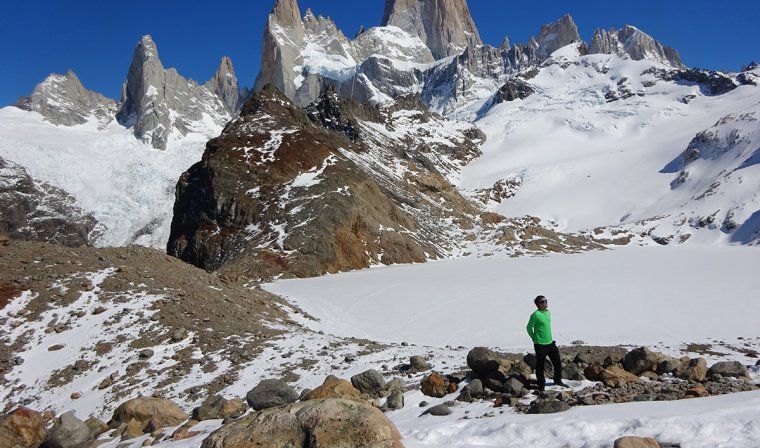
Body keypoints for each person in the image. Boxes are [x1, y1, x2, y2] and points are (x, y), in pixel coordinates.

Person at [526, 295, 566, 391]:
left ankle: (557, 380)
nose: (545, 303)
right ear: (538, 304)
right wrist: (534, 338)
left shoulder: (548, 312)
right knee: (540, 366)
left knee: (557, 362)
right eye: (542, 302)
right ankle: (541, 386)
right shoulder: (535, 315)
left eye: (545, 301)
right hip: (540, 345)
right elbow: (528, 327)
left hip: (550, 343)